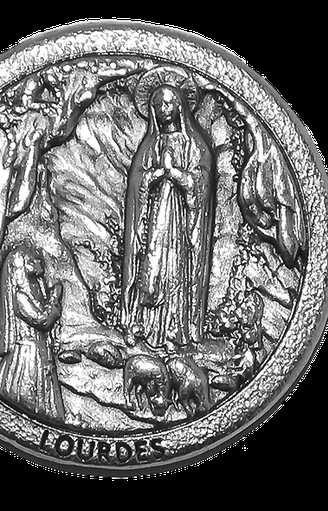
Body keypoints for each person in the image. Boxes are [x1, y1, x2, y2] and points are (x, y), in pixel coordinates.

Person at [121, 82, 215, 350]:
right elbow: (136, 183)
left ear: (180, 107)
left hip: (180, 223)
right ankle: (144, 326)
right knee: (151, 268)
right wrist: (154, 175)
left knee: (174, 270)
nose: (163, 109)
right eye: (158, 105)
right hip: (154, 221)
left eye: (168, 103)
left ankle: (174, 330)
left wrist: (176, 175)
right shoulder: (150, 145)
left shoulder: (193, 144)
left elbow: (202, 183)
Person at [0, 243, 64, 420]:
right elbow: (42, 320)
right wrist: (54, 300)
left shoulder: (34, 292)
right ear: (21, 266)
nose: (39, 262)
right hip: (28, 353)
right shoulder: (20, 296)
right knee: (26, 396)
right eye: (33, 260)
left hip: (39, 350)